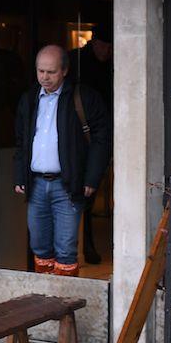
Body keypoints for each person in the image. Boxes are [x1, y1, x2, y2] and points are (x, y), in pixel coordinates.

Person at [14, 45, 110, 277]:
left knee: (66, 251)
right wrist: (20, 176)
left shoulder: (83, 97)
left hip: (67, 185)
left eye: (51, 72)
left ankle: (65, 309)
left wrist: (91, 178)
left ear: (64, 71)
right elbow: (21, 141)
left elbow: (102, 139)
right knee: (39, 247)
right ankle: (45, 303)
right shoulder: (29, 99)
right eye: (41, 71)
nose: (44, 77)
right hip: (36, 185)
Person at [69, 30, 114, 264]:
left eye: (110, 47)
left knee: (91, 194)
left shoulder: (111, 64)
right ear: (94, 42)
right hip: (83, 136)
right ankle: (80, 248)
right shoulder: (76, 62)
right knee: (82, 197)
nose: (106, 51)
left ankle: (85, 247)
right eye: (103, 45)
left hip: (105, 132)